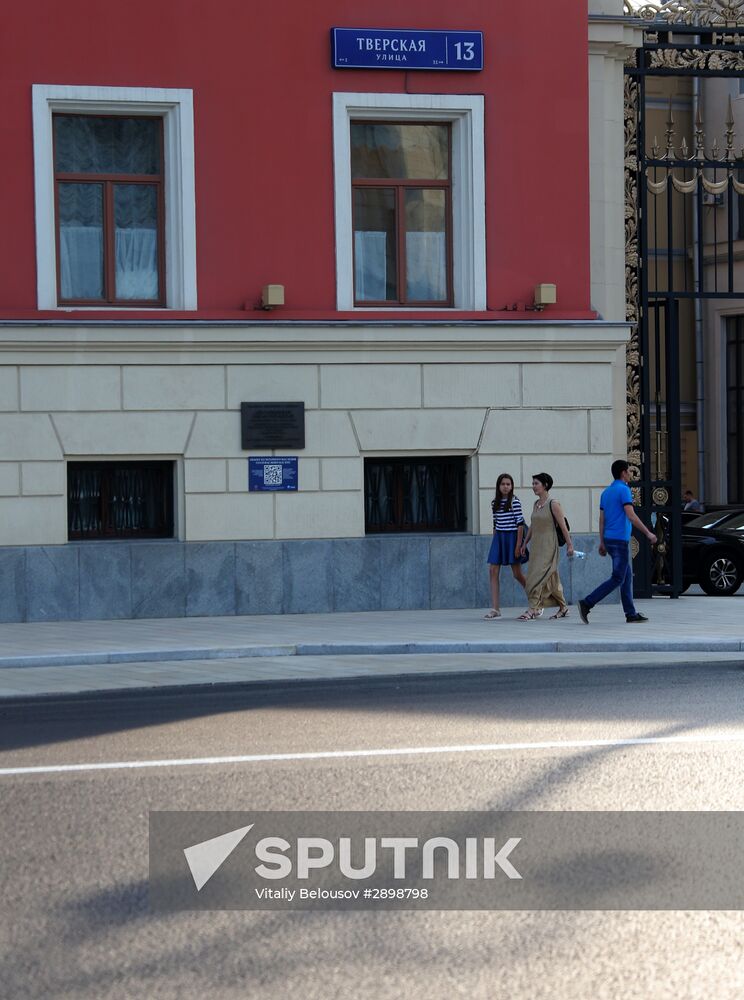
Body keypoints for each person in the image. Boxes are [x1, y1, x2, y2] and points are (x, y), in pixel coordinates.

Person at [578, 459, 656, 625]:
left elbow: (601, 520)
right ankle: (587, 603)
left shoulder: (606, 492)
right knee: (618, 578)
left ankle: (631, 614)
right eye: (628, 471)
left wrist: (602, 542)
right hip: (620, 540)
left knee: (626, 577)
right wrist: (648, 533)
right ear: (623, 473)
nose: (630, 474)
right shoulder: (624, 490)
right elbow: (631, 515)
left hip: (609, 539)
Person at [517, 472, 573, 620]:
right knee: (552, 579)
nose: (533, 486)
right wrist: (524, 543)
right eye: (533, 483)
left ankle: (532, 609)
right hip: (536, 546)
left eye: (536, 483)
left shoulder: (553, 503)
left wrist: (570, 545)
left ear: (545, 485)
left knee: (535, 578)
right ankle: (563, 607)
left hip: (549, 546)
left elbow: (563, 526)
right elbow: (533, 526)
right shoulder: (536, 504)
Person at [483, 473, 527, 619]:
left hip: (512, 537)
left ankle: (536, 599)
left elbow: (520, 524)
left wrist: (518, 545)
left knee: (517, 574)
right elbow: (495, 524)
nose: (506, 486)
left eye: (508, 484)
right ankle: (495, 609)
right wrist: (495, 542)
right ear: (498, 486)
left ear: (512, 486)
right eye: (503, 484)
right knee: (492, 570)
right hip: (499, 538)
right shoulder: (494, 503)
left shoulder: (515, 501)